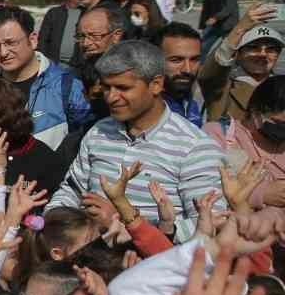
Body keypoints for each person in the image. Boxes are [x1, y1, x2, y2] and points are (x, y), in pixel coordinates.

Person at [47, 40, 226, 240]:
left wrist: (125, 224)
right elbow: (71, 191)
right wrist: (52, 223)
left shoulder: (194, 146)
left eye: (123, 88)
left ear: (156, 85)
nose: (111, 97)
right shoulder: (99, 132)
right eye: (107, 87)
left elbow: (211, 223)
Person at [0, 7, 92, 149]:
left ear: (33, 39)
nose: (3, 53)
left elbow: (86, 138)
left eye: (11, 43)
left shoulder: (66, 86)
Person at [197, 3, 281, 123]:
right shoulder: (223, 87)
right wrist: (240, 28)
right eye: (253, 47)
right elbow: (209, 74)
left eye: (271, 49)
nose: (263, 54)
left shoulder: (280, 86)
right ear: (238, 54)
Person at [156, 22, 206, 127]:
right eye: (176, 60)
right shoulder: (143, 108)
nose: (187, 69)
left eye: (194, 60)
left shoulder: (196, 100)